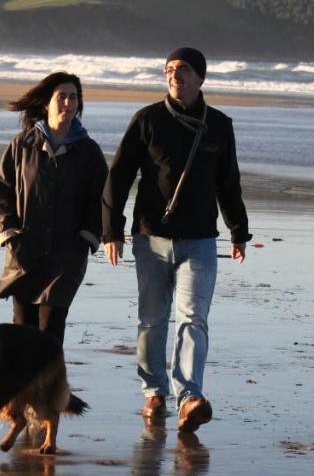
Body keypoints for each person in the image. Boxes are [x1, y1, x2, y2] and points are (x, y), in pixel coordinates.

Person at [102, 47, 251, 432]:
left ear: (200, 78)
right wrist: (111, 230)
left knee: (193, 319)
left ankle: (188, 398)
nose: (174, 75)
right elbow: (118, 177)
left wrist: (239, 231)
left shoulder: (219, 125)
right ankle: (153, 391)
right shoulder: (147, 120)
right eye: (169, 69)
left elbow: (229, 184)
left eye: (183, 69)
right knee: (152, 319)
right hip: (150, 238)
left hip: (200, 241)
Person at [0, 72, 108, 345]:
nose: (68, 103)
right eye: (62, 97)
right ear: (46, 103)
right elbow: (1, 189)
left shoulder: (88, 151)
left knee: (51, 337)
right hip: (25, 254)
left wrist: (87, 238)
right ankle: (22, 389)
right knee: (21, 336)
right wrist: (8, 232)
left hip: (66, 259)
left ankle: (50, 388)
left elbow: (101, 200)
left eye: (73, 98)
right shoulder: (22, 145)